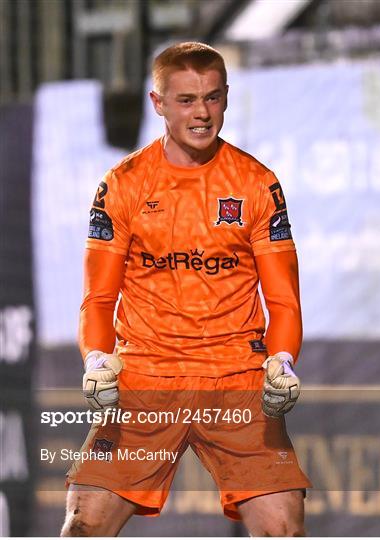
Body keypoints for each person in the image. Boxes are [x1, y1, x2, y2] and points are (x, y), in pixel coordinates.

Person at [61, 42, 311, 537]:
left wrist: (281, 362)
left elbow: (283, 299)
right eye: (186, 100)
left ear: (226, 97)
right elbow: (98, 298)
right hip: (146, 376)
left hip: (236, 375)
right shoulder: (123, 183)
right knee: (82, 527)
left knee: (283, 530)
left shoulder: (257, 184)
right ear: (158, 103)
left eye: (213, 98)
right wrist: (95, 360)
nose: (202, 113)